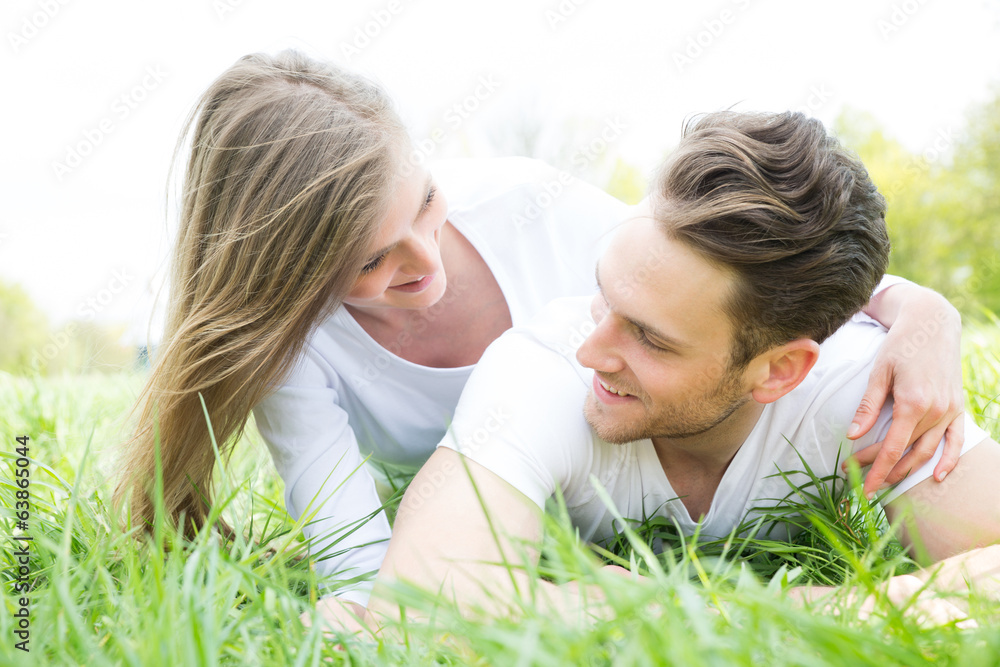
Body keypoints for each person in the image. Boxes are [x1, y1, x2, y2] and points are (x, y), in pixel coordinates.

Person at [112, 51, 965, 611]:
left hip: (614, 467)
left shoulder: (525, 205)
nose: (424, 262)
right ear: (291, 278)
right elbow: (380, 588)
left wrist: (920, 306)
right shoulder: (319, 357)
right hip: (506, 485)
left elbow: (711, 268)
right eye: (369, 261)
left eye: (426, 204)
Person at [365, 110, 1000, 625]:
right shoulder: (544, 369)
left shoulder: (863, 389)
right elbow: (421, 600)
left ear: (779, 371)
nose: (594, 350)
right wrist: (871, 606)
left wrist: (645, 605)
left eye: (650, 338)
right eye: (606, 298)